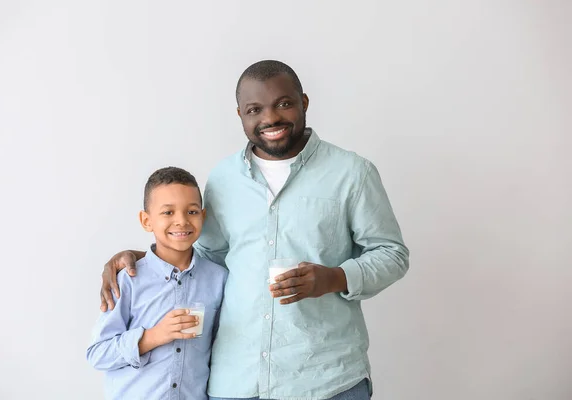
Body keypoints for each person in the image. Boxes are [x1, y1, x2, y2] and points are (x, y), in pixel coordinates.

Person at [100, 60, 409, 400]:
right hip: (237, 380)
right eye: (254, 109)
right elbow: (204, 257)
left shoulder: (352, 173)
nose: (270, 118)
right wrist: (145, 258)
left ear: (304, 102)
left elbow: (392, 254)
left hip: (325, 380)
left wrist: (333, 278)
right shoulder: (223, 179)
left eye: (284, 103)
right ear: (240, 115)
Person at [87, 167, 227, 400]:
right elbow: (97, 354)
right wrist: (153, 336)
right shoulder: (128, 280)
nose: (181, 221)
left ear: (203, 217)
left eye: (191, 212)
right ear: (146, 220)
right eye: (168, 212)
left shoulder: (218, 279)